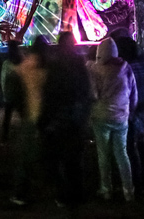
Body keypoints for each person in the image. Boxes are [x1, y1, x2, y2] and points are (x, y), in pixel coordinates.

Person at [41, 32, 91, 209]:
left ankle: (63, 194)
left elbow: (49, 94)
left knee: (59, 159)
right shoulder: (79, 64)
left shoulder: (54, 65)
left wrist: (47, 119)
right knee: (75, 160)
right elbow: (86, 92)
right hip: (76, 118)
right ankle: (77, 194)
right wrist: (84, 114)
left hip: (60, 119)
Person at [87, 37, 137, 202]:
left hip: (101, 117)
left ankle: (106, 189)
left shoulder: (96, 70)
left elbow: (93, 94)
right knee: (122, 154)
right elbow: (133, 94)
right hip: (121, 117)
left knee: (103, 154)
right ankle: (128, 190)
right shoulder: (125, 68)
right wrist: (130, 112)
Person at [9, 36, 50, 206]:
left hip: (28, 117)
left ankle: (21, 194)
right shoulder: (50, 68)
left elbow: (15, 94)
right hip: (47, 118)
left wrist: (21, 111)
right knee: (51, 156)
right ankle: (57, 195)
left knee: (25, 159)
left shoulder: (23, 67)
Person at [117, 36, 144, 194]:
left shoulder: (125, 64)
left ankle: (135, 179)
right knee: (143, 144)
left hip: (131, 107)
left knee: (130, 146)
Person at [0, 41, 24, 142]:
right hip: (19, 93)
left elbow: (3, 79)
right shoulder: (22, 61)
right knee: (23, 115)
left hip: (9, 93)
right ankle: (24, 136)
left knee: (7, 115)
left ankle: (4, 137)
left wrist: (4, 92)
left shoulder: (6, 63)